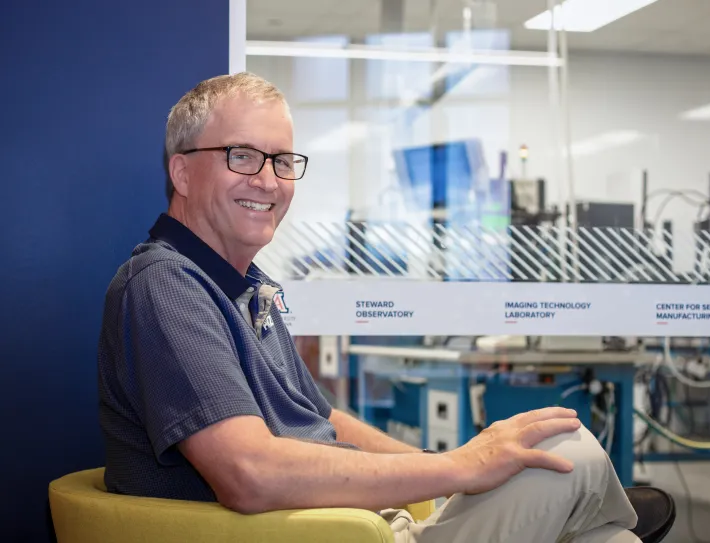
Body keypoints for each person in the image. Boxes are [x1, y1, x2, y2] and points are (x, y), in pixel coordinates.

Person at [97, 72, 642, 543]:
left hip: (361, 523)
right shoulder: (165, 286)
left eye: (283, 161)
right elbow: (250, 472)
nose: (268, 180)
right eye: (242, 156)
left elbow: (323, 420)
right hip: (321, 534)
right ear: (183, 173)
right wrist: (460, 467)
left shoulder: (244, 287)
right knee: (570, 452)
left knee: (602, 525)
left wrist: (438, 470)